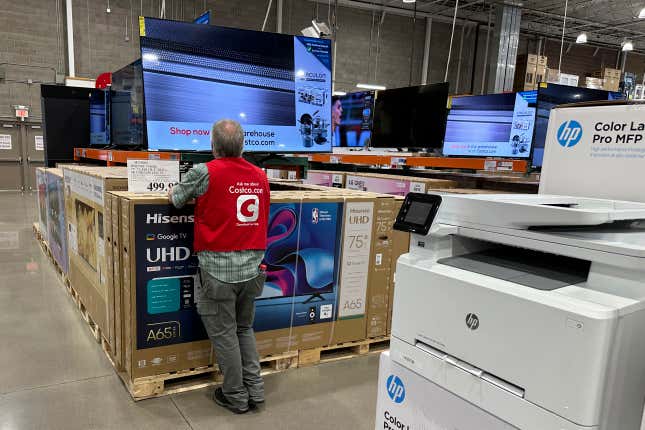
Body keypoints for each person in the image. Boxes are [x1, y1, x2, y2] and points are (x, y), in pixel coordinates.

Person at [169, 119, 270, 414]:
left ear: (213, 146)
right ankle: (256, 390)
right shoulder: (260, 176)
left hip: (218, 274)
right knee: (244, 328)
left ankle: (235, 395)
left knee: (225, 334)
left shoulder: (205, 172)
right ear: (243, 145)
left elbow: (176, 199)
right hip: (253, 271)